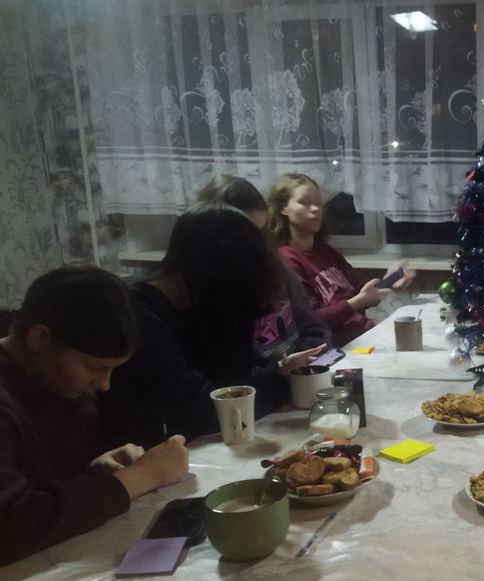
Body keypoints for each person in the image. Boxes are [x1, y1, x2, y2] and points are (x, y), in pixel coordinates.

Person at [0, 267, 188, 566]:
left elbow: (43, 484)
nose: (104, 385)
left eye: (112, 370)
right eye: (94, 367)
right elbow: (9, 526)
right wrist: (136, 479)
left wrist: (94, 473)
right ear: (39, 339)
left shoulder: (62, 385)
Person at [98, 204, 319, 450]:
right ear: (220, 272)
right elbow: (203, 410)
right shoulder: (140, 317)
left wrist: (279, 370)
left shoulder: (193, 301)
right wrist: (279, 382)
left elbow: (234, 371)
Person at [194, 175, 332, 364]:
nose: (254, 242)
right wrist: (280, 372)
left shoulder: (276, 266)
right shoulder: (208, 290)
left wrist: (310, 361)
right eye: (243, 234)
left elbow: (313, 328)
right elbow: (229, 371)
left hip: (301, 373)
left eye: (259, 231)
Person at [268, 173, 414, 347]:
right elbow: (311, 322)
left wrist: (392, 277)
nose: (315, 209)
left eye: (318, 203)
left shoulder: (327, 251)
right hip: (337, 351)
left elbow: (364, 295)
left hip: (366, 337)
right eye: (304, 202)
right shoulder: (286, 260)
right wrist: (359, 302)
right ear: (283, 208)